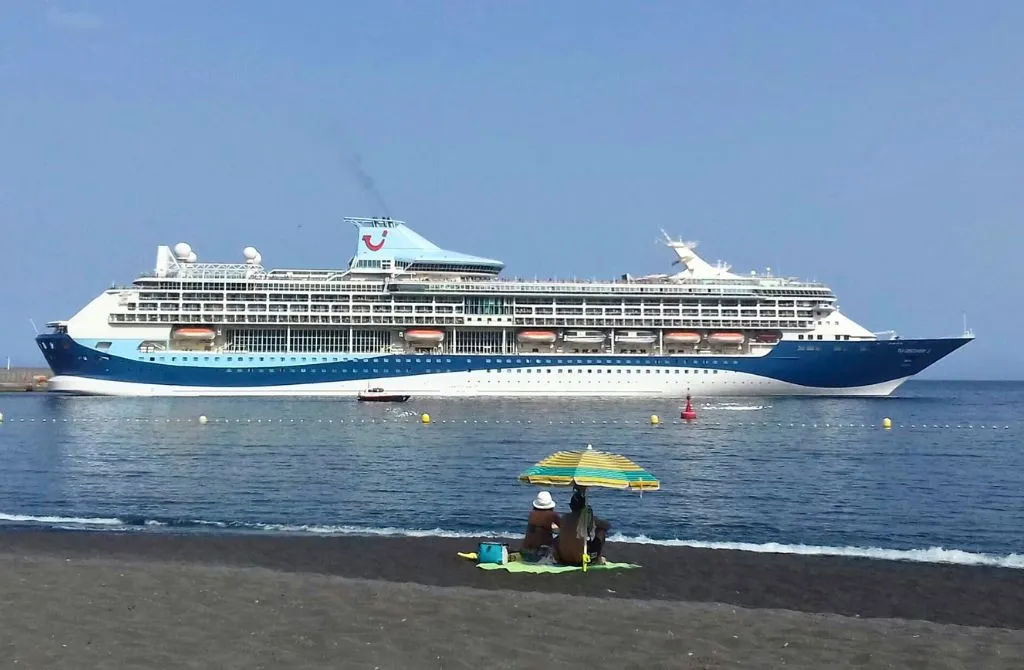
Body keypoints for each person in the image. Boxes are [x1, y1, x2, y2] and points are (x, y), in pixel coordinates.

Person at [554, 488, 611, 566]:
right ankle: (598, 558)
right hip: (580, 560)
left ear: (571, 506)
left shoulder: (564, 517)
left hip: (563, 558)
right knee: (601, 532)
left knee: (559, 537)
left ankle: (558, 555)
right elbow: (607, 526)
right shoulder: (586, 517)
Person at [521, 491, 560, 560]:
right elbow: (564, 528)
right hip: (542, 552)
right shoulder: (552, 515)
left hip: (526, 550)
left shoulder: (532, 514)